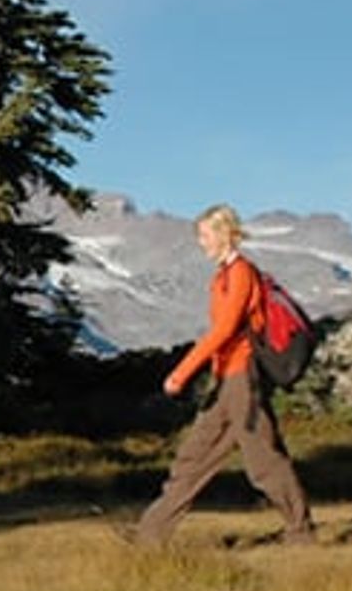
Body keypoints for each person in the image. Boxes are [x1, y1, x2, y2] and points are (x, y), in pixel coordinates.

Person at [134, 203, 313, 546]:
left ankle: (301, 534)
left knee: (264, 463)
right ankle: (150, 535)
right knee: (192, 459)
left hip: (243, 380)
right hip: (226, 381)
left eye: (203, 235)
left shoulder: (242, 272)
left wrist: (181, 373)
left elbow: (226, 328)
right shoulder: (222, 277)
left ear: (223, 234)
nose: (200, 242)